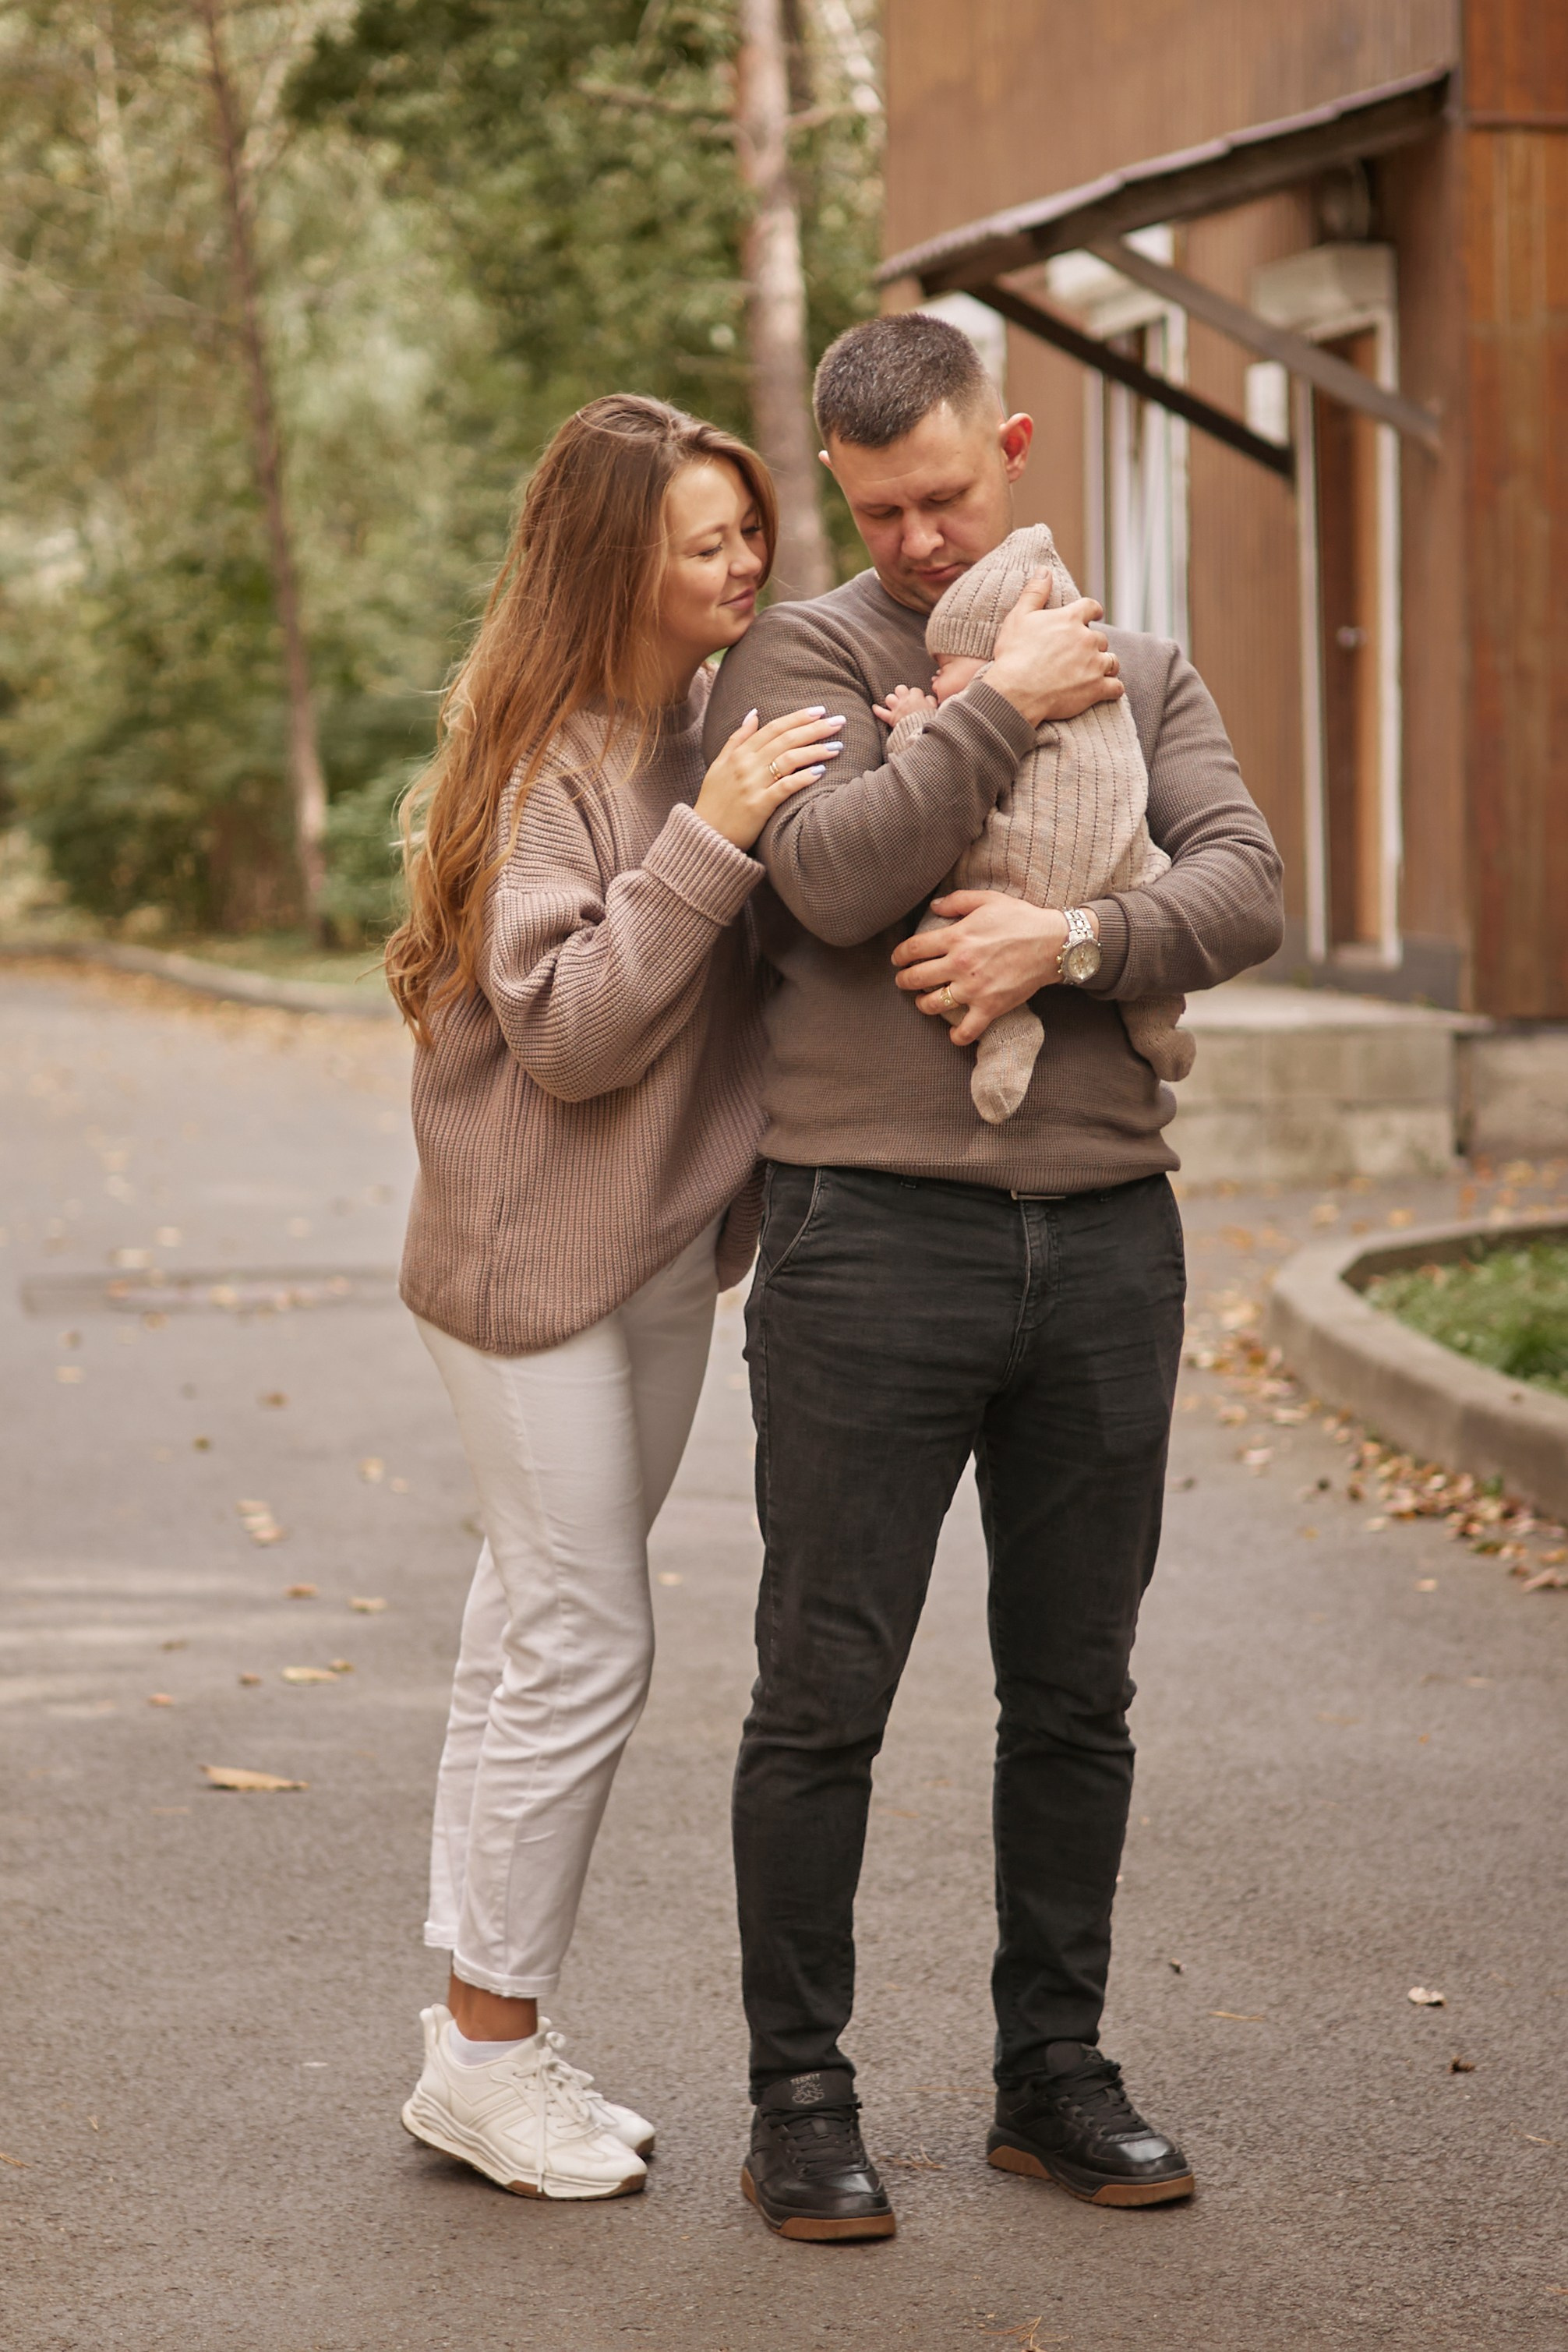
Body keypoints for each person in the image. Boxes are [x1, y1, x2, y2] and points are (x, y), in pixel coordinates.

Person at [704, 312, 1284, 2241]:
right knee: (823, 1689)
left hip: (1108, 1234)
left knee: (1075, 1692)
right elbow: (837, 883)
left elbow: (1245, 886)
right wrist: (998, 701)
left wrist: (1071, 941)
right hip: (867, 1241)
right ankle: (800, 2093)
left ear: (1010, 446)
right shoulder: (797, 655)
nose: (918, 545)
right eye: (879, 514)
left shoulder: (1150, 663)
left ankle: (1054, 2074)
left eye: (943, 498)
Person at [385, 393, 844, 2202]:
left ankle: (469, 2041)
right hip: (527, 1277)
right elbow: (572, 1037)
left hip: (650, 1249)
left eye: (749, 530)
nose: (743, 563)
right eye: (702, 540)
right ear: (614, 563)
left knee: (523, 1626)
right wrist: (714, 834)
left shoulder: (688, 726)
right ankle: (493, 2050)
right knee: (585, 1641)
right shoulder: (559, 760)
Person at [874, 519, 1193, 1121]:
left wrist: (915, 723)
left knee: (933, 942)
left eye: (944, 664)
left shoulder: (991, 697)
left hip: (1015, 877)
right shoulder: (1111, 702)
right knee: (1154, 878)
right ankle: (1153, 1016)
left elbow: (925, 773)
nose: (934, 680)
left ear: (1005, 654)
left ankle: (1008, 1033)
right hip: (1128, 867)